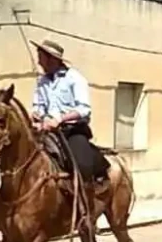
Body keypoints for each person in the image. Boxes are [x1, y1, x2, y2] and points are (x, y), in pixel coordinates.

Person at [30, 39, 109, 183]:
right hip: (47, 131)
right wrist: (37, 115)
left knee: (82, 166)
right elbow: (38, 106)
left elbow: (83, 109)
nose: (39, 62)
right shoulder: (42, 82)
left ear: (51, 59)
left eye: (41, 58)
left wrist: (59, 119)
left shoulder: (74, 78)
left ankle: (87, 200)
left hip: (72, 131)